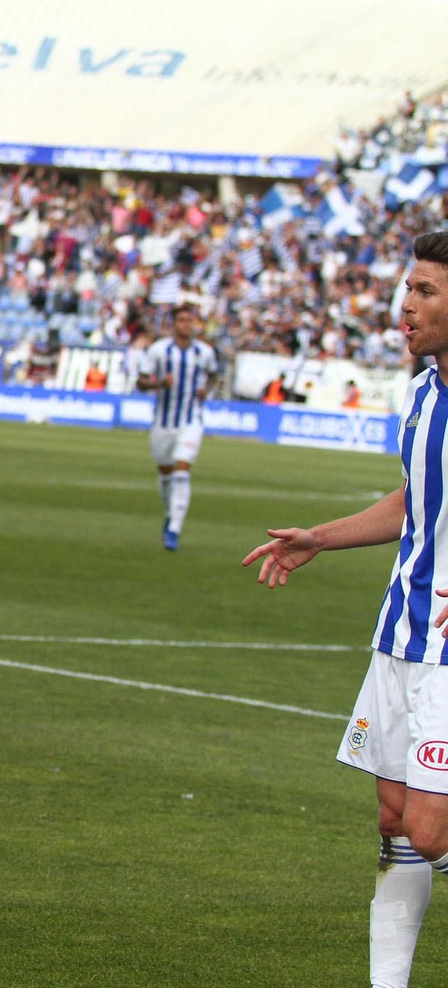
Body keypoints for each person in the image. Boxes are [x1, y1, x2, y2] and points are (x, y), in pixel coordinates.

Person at [242, 231, 448, 988]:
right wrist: (320, 538)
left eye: (426, 290)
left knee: (431, 830)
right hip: (400, 631)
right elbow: (415, 500)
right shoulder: (424, 391)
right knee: (395, 820)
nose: (406, 306)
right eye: (408, 288)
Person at [134, 303, 218, 551]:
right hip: (163, 422)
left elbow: (214, 374)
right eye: (182, 320)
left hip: (191, 420)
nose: (186, 325)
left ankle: (174, 529)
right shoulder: (159, 351)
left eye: (190, 320)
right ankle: (171, 513)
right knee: (166, 475)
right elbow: (141, 382)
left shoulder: (204, 352)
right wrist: (160, 383)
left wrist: (207, 390)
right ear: (174, 324)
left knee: (182, 470)